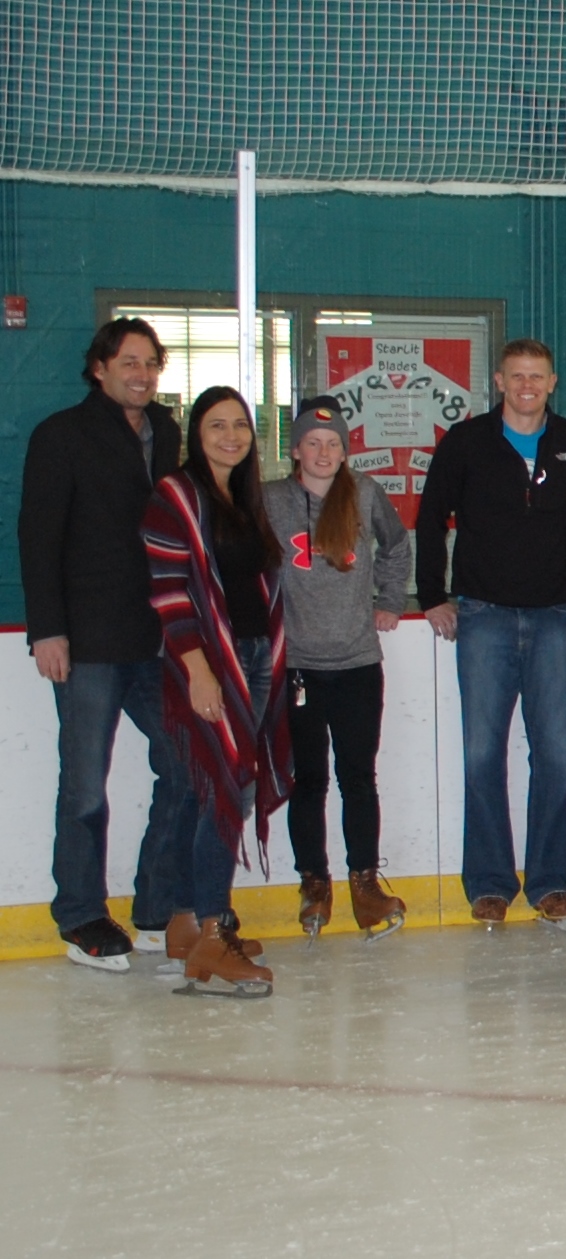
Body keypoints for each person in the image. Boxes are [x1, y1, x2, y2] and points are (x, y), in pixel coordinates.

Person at [18, 317, 197, 969]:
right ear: (99, 367)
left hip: (156, 637)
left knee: (187, 766)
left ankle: (155, 907)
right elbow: (38, 539)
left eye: (151, 363)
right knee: (86, 785)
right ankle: (82, 914)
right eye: (129, 362)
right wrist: (48, 630)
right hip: (88, 640)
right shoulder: (60, 436)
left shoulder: (167, 433)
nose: (142, 374)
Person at [416, 337, 566, 927]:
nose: (528, 385)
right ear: (498, 381)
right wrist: (432, 598)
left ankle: (551, 881)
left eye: (538, 377)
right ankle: (491, 883)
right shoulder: (467, 443)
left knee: (556, 753)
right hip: (482, 618)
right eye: (517, 376)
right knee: (482, 753)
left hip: (552, 617)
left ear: (553, 383)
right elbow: (428, 519)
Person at [142, 387, 293, 996]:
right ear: (195, 434)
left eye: (240, 426)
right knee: (228, 788)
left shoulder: (244, 497)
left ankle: (184, 921)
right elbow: (169, 593)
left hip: (254, 659)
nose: (230, 436)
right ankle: (211, 930)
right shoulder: (174, 496)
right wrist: (199, 670)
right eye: (216, 426)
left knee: (208, 788)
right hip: (208, 667)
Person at [264, 397, 410, 939]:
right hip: (298, 665)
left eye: (334, 444)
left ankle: (365, 883)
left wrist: (390, 600)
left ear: (345, 452)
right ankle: (313, 882)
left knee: (358, 778)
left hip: (356, 663)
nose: (324, 452)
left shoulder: (365, 494)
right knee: (308, 781)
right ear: (296, 449)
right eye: (313, 443)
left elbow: (397, 548)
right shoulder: (272, 501)